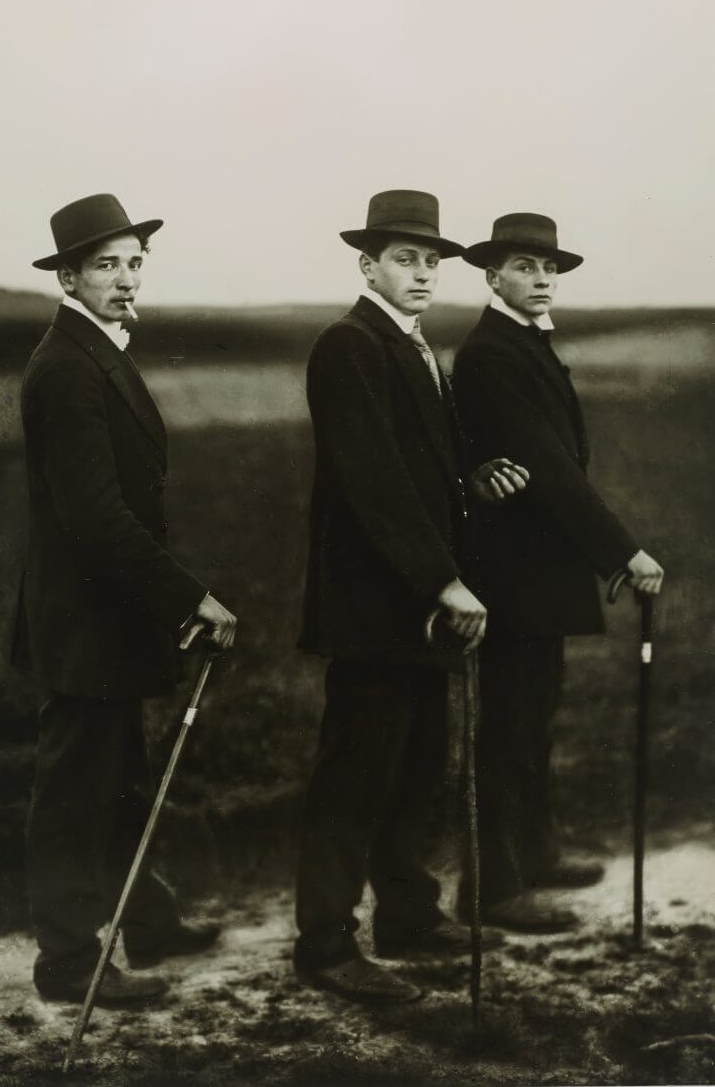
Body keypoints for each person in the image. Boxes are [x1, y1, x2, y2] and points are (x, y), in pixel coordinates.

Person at [294, 190, 529, 1003]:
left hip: (418, 607)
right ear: (368, 265)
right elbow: (374, 481)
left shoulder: (415, 346)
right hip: (375, 606)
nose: (423, 272)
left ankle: (407, 915)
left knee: (418, 765)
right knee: (354, 774)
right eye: (405, 258)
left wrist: (471, 476)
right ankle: (325, 944)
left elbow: (422, 464)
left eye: (432, 261)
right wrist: (444, 580)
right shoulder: (348, 345)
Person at [11, 193, 237, 1006]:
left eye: (134, 262)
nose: (126, 278)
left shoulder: (96, 348)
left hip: (106, 615)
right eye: (106, 265)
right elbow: (96, 515)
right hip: (83, 621)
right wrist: (190, 598)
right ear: (69, 276)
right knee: (76, 791)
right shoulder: (68, 365)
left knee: (123, 775)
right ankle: (67, 965)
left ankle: (147, 920)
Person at [451, 213, 664, 933]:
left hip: (540, 571)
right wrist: (622, 551)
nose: (541, 278)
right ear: (492, 277)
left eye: (549, 268)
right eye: (524, 266)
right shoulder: (491, 354)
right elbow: (545, 465)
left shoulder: (524, 343)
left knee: (533, 722)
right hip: (513, 573)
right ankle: (493, 887)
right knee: (508, 727)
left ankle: (536, 854)